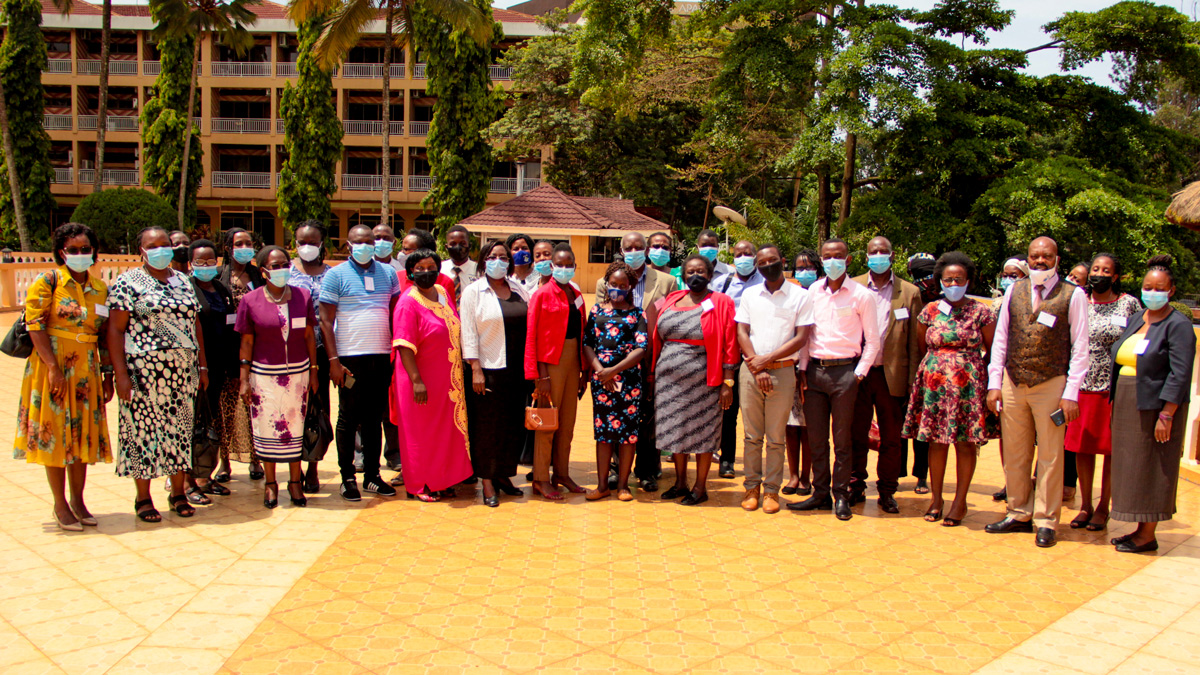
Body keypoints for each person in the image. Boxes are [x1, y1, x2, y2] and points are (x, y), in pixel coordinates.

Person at [985, 236, 1090, 549]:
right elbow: (1001, 339)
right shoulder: (1014, 290)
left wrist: (1071, 392)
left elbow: (1080, 346)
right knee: (1015, 453)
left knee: (1051, 455)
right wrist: (994, 383)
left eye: (1046, 256)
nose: (1040, 261)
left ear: (1057, 258)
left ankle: (1045, 519)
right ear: (1027, 259)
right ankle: (1018, 511)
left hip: (1052, 383)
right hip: (1013, 383)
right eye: (1034, 256)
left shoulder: (1074, 295)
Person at [15, 223, 113, 531]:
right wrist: (54, 369)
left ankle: (78, 500)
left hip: (87, 369)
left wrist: (107, 372)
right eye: (74, 250)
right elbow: (35, 324)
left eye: (86, 249)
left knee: (81, 435)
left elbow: (104, 333)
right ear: (62, 252)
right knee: (56, 435)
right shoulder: (49, 281)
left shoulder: (100, 288)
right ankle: (60, 504)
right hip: (52, 368)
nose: (81, 254)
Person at [107, 227, 209, 521]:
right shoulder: (128, 282)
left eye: (165, 244)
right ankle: (143, 497)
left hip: (182, 372)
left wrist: (202, 365)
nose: (161, 250)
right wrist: (121, 374)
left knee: (179, 432)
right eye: (153, 245)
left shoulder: (183, 282)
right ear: (141, 250)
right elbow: (115, 329)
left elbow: (195, 325)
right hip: (144, 373)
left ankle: (177, 492)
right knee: (143, 433)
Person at [1108, 255, 1195, 553]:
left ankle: (1148, 535)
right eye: (1147, 286)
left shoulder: (1178, 325)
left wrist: (1167, 414)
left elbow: (1181, 373)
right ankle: (1137, 528)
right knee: (1131, 466)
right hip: (1128, 400)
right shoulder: (1138, 318)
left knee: (1153, 467)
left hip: (1157, 407)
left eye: (1159, 288)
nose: (1152, 292)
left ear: (1170, 291)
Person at [902, 252, 996, 526]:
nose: (953, 283)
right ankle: (936, 499)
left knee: (965, 444)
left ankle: (960, 502)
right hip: (934, 387)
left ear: (968, 281)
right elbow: (923, 346)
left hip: (968, 388)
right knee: (936, 442)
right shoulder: (929, 310)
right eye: (948, 279)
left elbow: (992, 349)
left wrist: (971, 371)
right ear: (939, 281)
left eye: (959, 279)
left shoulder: (982, 311)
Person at [791, 238, 880, 521]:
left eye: (838, 256)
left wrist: (858, 373)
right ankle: (819, 493)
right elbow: (806, 336)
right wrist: (803, 369)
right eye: (827, 257)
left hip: (845, 373)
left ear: (848, 260)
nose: (833, 261)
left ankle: (841, 495)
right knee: (817, 438)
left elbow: (874, 341)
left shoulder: (862, 295)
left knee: (842, 439)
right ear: (821, 260)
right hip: (815, 372)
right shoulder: (813, 292)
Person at [320, 224, 400, 501]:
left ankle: (372, 477)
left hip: (380, 357)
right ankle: (347, 477)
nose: (366, 246)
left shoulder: (389, 274)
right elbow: (325, 321)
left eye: (370, 241)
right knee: (348, 418)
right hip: (349, 359)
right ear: (348, 245)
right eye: (360, 242)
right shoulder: (336, 275)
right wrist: (333, 361)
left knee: (373, 419)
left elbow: (394, 315)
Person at [236, 246, 318, 509]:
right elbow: (246, 342)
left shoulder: (302, 296)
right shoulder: (250, 301)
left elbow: (308, 336)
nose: (281, 269)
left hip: (297, 376)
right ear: (263, 271)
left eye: (285, 264)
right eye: (275, 265)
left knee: (295, 430)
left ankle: (295, 482)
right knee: (267, 430)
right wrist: (243, 378)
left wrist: (314, 370)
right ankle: (271, 483)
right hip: (264, 378)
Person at [651, 255, 737, 505]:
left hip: (705, 380)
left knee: (703, 432)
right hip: (669, 380)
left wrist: (728, 381)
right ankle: (680, 482)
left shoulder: (722, 302)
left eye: (700, 271)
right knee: (675, 429)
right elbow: (651, 321)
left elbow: (730, 343)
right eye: (690, 272)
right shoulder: (671, 299)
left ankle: (700, 487)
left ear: (710, 275)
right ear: (683, 276)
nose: (695, 276)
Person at [594, 232, 675, 492]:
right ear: (621, 249)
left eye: (639, 246)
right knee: (615, 420)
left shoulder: (667, 281)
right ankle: (618, 472)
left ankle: (647, 470)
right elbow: (599, 324)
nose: (634, 250)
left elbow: (669, 318)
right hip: (614, 363)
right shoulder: (603, 282)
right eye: (629, 247)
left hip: (653, 356)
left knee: (649, 417)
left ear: (647, 249)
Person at [1064, 253, 1140, 531]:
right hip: (1081, 384)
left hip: (1113, 388)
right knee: (1082, 447)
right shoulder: (1078, 300)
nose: (1099, 274)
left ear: (1116, 276)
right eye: (1095, 268)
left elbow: (1138, 339)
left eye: (1106, 270)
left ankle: (1102, 507)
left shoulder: (1129, 304)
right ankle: (1085, 505)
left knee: (1109, 449)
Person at [735, 244, 813, 514]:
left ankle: (771, 491)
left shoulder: (800, 296)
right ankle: (751, 487)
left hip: (782, 371)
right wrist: (757, 366)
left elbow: (801, 338)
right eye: (762, 262)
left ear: (782, 261)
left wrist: (766, 362)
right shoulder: (750, 294)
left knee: (776, 437)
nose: (768, 265)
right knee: (752, 435)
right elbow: (742, 331)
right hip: (751, 371)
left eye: (772, 260)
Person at [392, 249, 474, 501]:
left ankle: (443, 479)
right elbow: (404, 345)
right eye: (419, 268)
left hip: (447, 379)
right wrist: (417, 381)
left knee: (443, 432)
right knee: (421, 432)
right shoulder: (408, 301)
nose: (426, 272)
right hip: (420, 379)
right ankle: (421, 484)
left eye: (431, 267)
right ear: (410, 272)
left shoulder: (442, 292)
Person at [849, 236, 923, 514]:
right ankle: (855, 485)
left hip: (892, 375)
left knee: (892, 438)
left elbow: (914, 344)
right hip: (858, 373)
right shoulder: (853, 285)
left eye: (883, 251)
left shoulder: (909, 292)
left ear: (893, 256)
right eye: (873, 252)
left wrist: (913, 382)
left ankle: (888, 491)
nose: (878, 255)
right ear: (866, 256)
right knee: (856, 433)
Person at [461, 241, 531, 506]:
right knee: (487, 427)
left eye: (503, 257)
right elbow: (467, 331)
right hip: (488, 370)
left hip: (516, 370)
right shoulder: (473, 292)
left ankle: (503, 474)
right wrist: (475, 368)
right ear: (483, 261)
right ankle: (487, 481)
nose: (499, 261)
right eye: (493, 257)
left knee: (511, 424)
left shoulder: (519, 290)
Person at [525, 243, 589, 501]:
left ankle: (561, 473)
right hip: (550, 363)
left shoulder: (576, 293)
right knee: (546, 422)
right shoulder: (541, 294)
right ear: (552, 267)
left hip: (574, 360)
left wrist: (584, 371)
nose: (564, 269)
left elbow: (583, 331)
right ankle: (540, 478)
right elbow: (533, 336)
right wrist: (541, 376)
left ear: (575, 266)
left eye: (568, 265)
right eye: (559, 265)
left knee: (568, 423)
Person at [583, 262, 649, 502]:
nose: (618, 289)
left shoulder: (637, 313)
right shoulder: (596, 311)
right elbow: (587, 343)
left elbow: (641, 348)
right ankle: (602, 485)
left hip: (629, 380)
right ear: (606, 283)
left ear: (630, 286)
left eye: (623, 285)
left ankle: (623, 485)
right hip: (602, 381)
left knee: (627, 434)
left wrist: (615, 370)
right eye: (614, 284)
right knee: (604, 434)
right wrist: (602, 371)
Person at [710, 239, 764, 481]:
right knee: (728, 409)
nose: (743, 257)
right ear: (733, 259)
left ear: (755, 256)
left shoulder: (765, 283)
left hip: (757, 354)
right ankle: (727, 460)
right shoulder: (722, 283)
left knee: (755, 411)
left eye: (748, 253)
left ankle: (755, 465)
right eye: (739, 254)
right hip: (730, 354)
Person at [187, 239, 236, 503]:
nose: (206, 266)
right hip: (195, 368)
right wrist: (200, 365)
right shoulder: (186, 288)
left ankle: (206, 477)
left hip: (219, 366)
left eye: (210, 261)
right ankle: (187, 481)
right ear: (190, 264)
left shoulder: (221, 288)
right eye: (200, 261)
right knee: (191, 424)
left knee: (210, 422)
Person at [288, 221, 332, 492]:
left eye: (312, 242)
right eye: (302, 241)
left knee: (319, 407)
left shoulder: (331, 274)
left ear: (321, 243)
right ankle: (296, 466)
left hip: (323, 351)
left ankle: (314, 464)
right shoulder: (287, 271)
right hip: (291, 352)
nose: (307, 247)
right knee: (294, 409)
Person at [215, 227, 262, 482]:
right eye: (239, 243)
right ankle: (225, 462)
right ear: (228, 247)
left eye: (249, 243)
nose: (245, 247)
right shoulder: (219, 276)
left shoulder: (257, 275)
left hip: (254, 349)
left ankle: (256, 459)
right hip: (226, 350)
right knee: (227, 411)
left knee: (253, 407)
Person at [990, 257, 1029, 503]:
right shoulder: (996, 306)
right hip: (1005, 377)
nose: (1008, 280)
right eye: (1005, 275)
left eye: (1015, 275)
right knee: (1009, 435)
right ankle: (1010, 482)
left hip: (1035, 378)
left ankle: (1030, 482)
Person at [784, 249, 820, 496]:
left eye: (809, 267)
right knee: (790, 425)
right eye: (800, 268)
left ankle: (807, 476)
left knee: (808, 426)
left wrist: (804, 368)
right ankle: (793, 475)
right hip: (788, 366)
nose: (804, 272)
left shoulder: (821, 295)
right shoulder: (791, 295)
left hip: (812, 367)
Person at [398, 228, 457, 306]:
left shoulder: (445, 282)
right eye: (402, 249)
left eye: (406, 249)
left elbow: (449, 313)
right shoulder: (397, 277)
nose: (402, 253)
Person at [442, 224, 478, 301]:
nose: (458, 247)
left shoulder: (479, 270)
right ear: (446, 247)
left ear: (469, 246)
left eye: (462, 243)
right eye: (453, 244)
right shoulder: (439, 269)